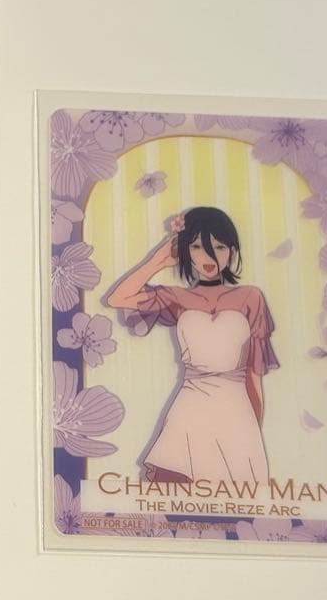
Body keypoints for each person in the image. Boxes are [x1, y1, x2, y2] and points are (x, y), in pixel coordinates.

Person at [105, 207, 278, 484]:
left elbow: (254, 373)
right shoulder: (177, 298)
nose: (208, 257)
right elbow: (118, 298)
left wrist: (254, 427)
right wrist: (158, 261)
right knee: (177, 492)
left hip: (237, 411)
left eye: (219, 247)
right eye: (197, 246)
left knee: (238, 493)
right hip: (189, 408)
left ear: (232, 251)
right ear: (185, 250)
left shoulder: (251, 297)